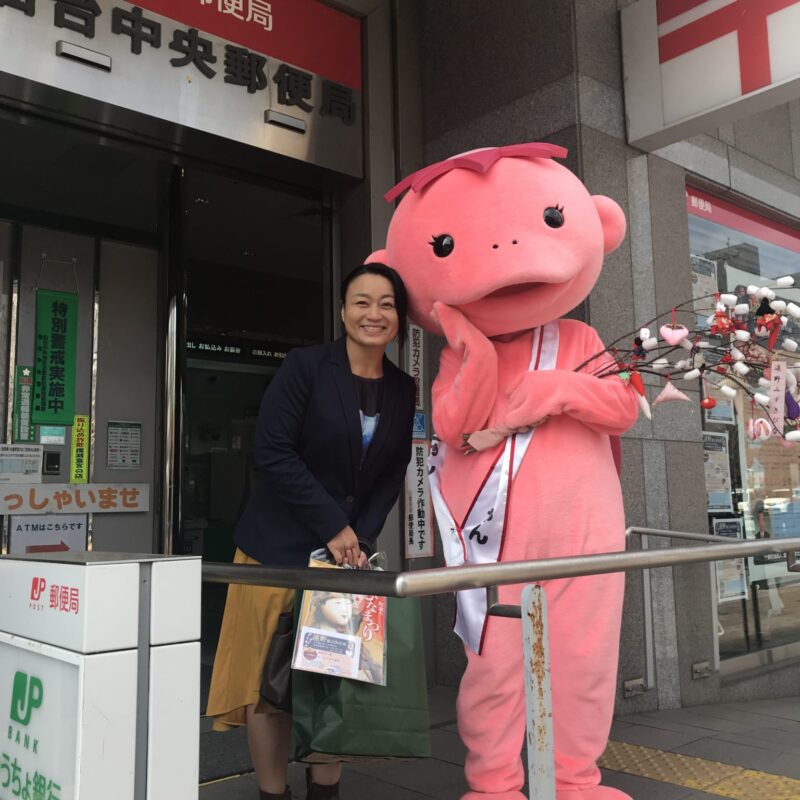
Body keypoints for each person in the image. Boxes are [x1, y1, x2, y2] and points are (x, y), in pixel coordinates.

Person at [206, 263, 416, 800]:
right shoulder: (306, 367)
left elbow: (391, 473)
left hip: (345, 562)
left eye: (387, 304)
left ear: (400, 316)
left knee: (334, 681)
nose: (374, 314)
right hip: (275, 551)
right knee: (270, 684)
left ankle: (326, 792)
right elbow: (274, 452)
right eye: (362, 302)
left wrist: (358, 539)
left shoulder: (403, 387)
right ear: (343, 311)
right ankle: (272, 793)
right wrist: (333, 525)